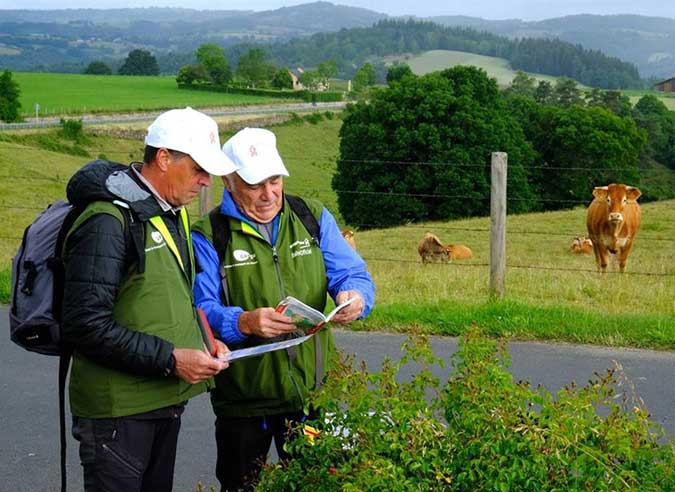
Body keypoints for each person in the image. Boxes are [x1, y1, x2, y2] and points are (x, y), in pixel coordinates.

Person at [61, 107, 235, 492]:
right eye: (198, 169)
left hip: (161, 400)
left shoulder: (172, 211)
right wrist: (171, 359)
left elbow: (172, 297)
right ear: (163, 158)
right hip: (117, 413)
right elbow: (85, 324)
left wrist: (204, 341)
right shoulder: (108, 220)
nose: (206, 182)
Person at [192, 127, 375, 491]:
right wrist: (243, 321)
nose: (268, 194)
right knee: (241, 486)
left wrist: (354, 297)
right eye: (254, 183)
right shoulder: (209, 234)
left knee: (319, 483)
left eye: (274, 180)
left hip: (313, 395)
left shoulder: (310, 216)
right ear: (228, 181)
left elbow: (351, 273)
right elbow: (199, 310)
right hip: (244, 402)